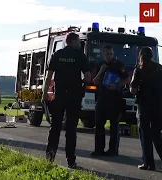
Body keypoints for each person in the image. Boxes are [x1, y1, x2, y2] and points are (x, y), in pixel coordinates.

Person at [41, 32, 91, 168]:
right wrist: (80, 80)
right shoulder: (80, 56)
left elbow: (48, 76)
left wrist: (44, 94)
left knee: (55, 128)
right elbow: (88, 78)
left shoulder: (56, 55)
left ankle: (49, 157)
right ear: (74, 42)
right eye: (79, 42)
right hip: (74, 97)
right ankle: (71, 160)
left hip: (59, 96)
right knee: (71, 129)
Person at [91, 45, 129, 156]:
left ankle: (113, 150)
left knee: (114, 125)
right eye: (107, 54)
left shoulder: (118, 65)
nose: (109, 56)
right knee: (99, 124)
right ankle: (99, 149)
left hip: (115, 98)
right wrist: (101, 71)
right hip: (102, 97)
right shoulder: (100, 65)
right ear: (103, 54)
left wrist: (117, 85)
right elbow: (95, 82)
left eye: (111, 53)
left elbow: (126, 79)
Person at [130, 46, 162, 170]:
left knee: (144, 134)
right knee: (156, 134)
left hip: (144, 105)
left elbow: (133, 89)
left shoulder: (139, 69)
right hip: (159, 106)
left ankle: (148, 163)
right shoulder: (160, 68)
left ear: (141, 55)